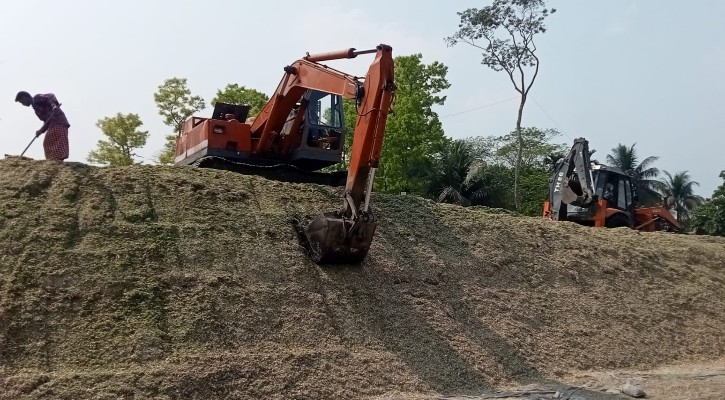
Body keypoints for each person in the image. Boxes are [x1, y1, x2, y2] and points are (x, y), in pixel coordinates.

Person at [15, 91, 70, 160]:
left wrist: (54, 106)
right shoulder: (36, 110)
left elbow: (50, 96)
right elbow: (46, 121)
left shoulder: (37, 98)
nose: (23, 104)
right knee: (47, 143)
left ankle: (58, 159)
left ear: (24, 97)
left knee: (55, 139)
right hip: (52, 124)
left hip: (58, 121)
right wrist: (40, 130)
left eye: (21, 102)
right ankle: (53, 160)